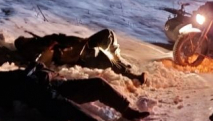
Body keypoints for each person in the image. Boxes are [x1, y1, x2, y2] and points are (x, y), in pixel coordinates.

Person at [0, 63, 149, 121]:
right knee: (67, 108)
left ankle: (127, 110)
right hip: (42, 98)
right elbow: (5, 104)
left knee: (97, 84)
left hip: (57, 86)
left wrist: (46, 74)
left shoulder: (15, 74)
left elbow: (44, 69)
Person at [14, 29, 148, 84]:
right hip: (76, 56)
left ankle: (119, 61)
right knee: (104, 60)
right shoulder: (33, 50)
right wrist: (56, 50)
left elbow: (61, 37)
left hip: (80, 45)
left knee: (107, 34)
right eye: (24, 40)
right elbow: (44, 61)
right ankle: (132, 76)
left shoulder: (41, 40)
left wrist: (75, 41)